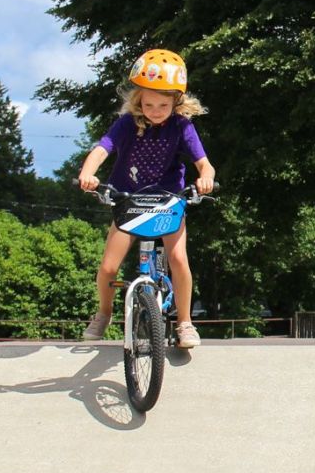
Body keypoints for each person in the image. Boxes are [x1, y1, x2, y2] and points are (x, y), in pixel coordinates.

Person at [77, 49, 216, 349]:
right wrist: (88, 172)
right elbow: (102, 149)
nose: (155, 110)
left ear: (176, 102)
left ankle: (185, 322)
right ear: (138, 98)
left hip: (168, 200)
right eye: (148, 103)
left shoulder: (182, 126)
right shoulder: (127, 123)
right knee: (108, 269)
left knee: (178, 259)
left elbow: (204, 164)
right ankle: (104, 312)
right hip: (129, 200)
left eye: (163, 105)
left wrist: (205, 177)